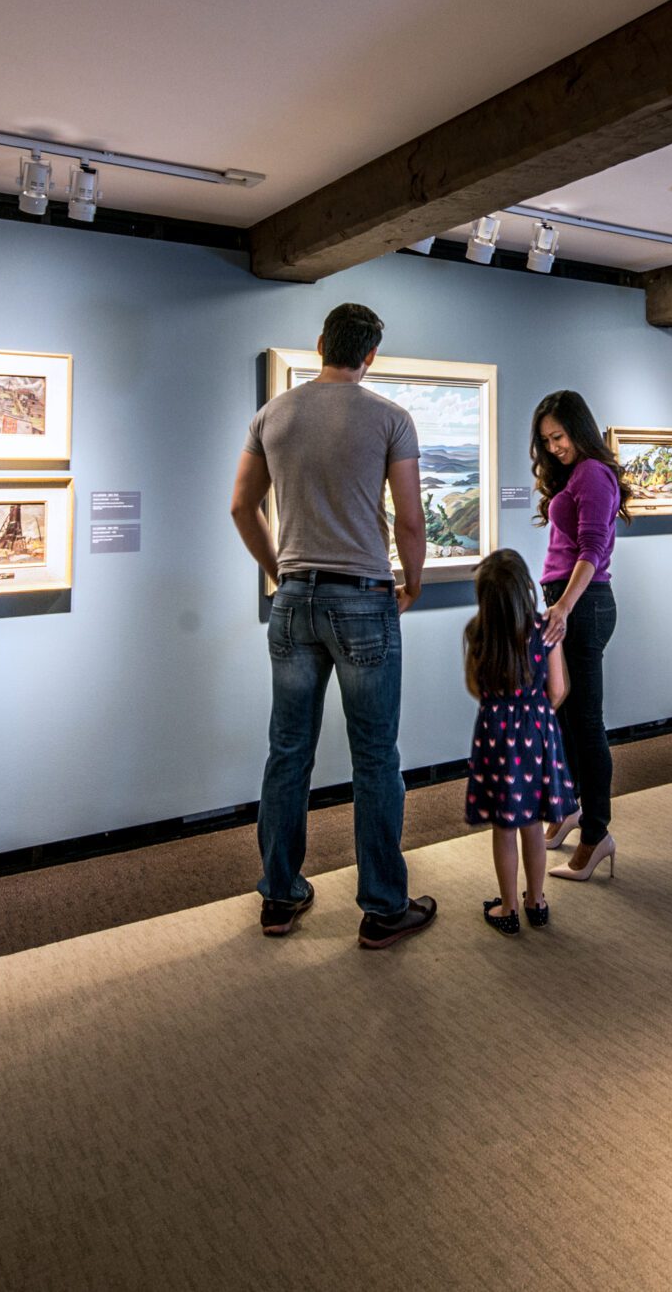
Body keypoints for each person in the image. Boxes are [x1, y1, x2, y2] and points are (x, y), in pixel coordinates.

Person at [230, 303, 438, 950]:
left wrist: (280, 572)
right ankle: (382, 906)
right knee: (376, 755)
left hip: (295, 598)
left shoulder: (274, 414)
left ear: (321, 344)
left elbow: (241, 505)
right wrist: (413, 579)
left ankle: (280, 894)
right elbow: (408, 520)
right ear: (370, 354)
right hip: (362, 600)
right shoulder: (390, 418)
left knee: (288, 751)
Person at [527, 389, 627, 884]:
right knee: (562, 717)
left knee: (586, 724)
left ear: (580, 430)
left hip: (582, 608)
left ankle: (597, 833)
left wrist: (562, 607)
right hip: (564, 605)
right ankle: (568, 808)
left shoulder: (592, 473)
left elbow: (591, 549)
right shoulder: (575, 475)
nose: (553, 448)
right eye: (546, 441)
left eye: (559, 437)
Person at [461, 549, 578, 934]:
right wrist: (536, 712)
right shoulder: (546, 628)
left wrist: (503, 706)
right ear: (526, 588)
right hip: (537, 730)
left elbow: (475, 687)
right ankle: (537, 902)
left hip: (496, 734)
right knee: (533, 822)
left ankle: (507, 908)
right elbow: (558, 689)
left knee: (505, 825)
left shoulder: (477, 633)